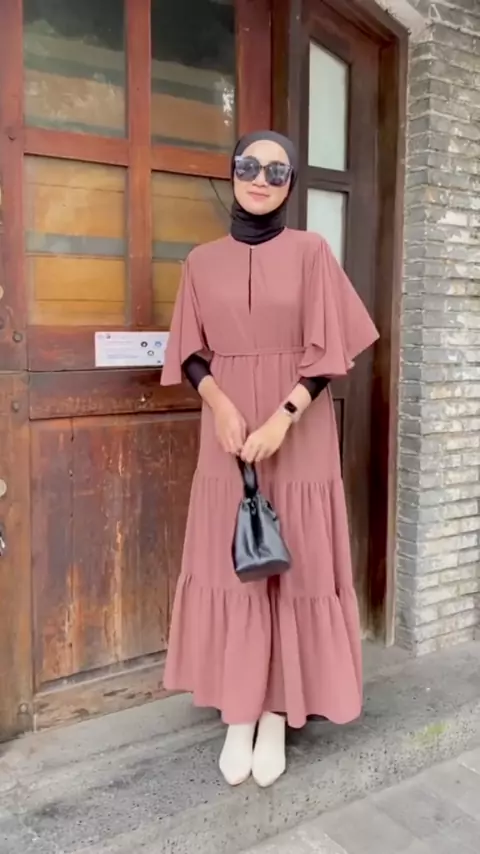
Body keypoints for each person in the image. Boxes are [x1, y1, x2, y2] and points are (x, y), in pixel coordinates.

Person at [160, 130, 378, 788]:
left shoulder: (313, 253)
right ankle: (239, 711)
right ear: (232, 172)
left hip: (298, 431)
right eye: (249, 165)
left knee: (297, 560)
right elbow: (190, 353)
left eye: (277, 170)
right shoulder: (200, 262)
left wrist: (283, 417)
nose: (261, 178)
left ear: (291, 184)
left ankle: (278, 711)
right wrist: (221, 407)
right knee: (233, 565)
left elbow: (330, 353)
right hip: (226, 431)